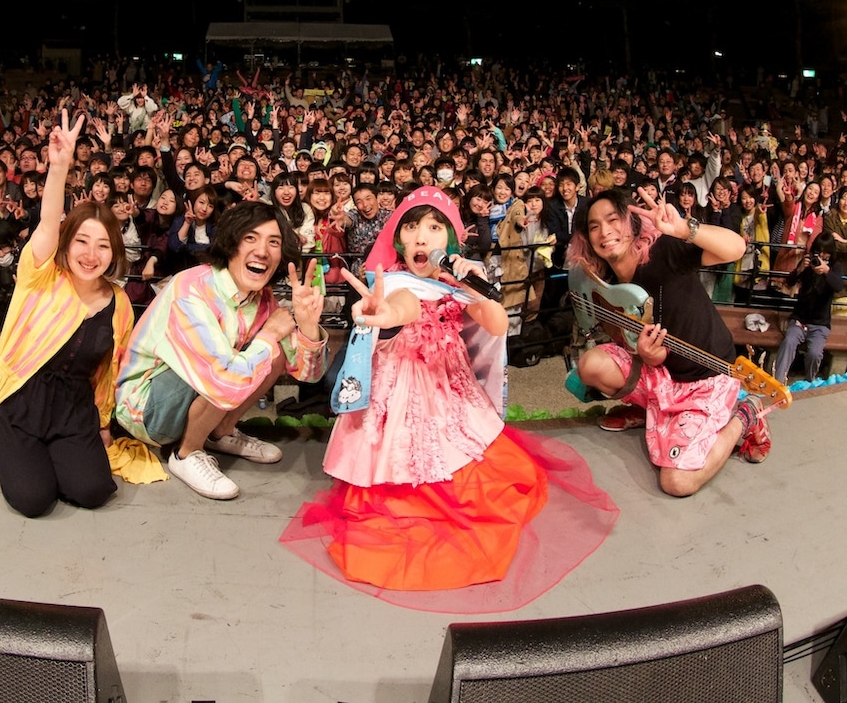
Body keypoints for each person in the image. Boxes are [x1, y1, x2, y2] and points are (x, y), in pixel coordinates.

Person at [281, 186, 616, 607]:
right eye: (412, 227)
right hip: (403, 389)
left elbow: (495, 323)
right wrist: (383, 315)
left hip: (448, 388)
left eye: (434, 227)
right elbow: (403, 306)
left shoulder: (457, 283)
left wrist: (470, 283)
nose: (422, 237)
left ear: (451, 240)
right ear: (399, 240)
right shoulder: (395, 284)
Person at [0, 111, 139, 516]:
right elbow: (49, 222)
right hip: (19, 401)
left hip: (72, 407)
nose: (91, 254)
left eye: (103, 246)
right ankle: (23, 453)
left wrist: (101, 422)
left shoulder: (118, 303)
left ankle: (61, 457)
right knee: (34, 500)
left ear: (114, 253)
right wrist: (60, 165)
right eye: (82, 241)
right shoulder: (41, 276)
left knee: (94, 491)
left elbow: (109, 369)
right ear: (67, 245)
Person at [114, 200, 328, 501]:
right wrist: (268, 334)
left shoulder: (263, 300)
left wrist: (307, 326)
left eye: (274, 242)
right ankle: (187, 453)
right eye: (250, 238)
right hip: (148, 411)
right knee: (236, 360)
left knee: (274, 352)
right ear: (230, 243)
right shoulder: (191, 288)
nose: (263, 251)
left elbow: (308, 373)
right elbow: (223, 379)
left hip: (202, 393)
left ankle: (221, 432)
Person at [569, 187, 772, 497]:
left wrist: (684, 229)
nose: (605, 231)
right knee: (591, 365)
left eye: (613, 220)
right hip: (662, 376)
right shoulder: (604, 280)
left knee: (676, 482)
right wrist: (645, 356)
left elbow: (735, 248)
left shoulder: (664, 252)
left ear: (633, 223)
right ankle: (651, 410)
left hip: (706, 379)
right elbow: (622, 335)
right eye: (594, 226)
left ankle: (745, 416)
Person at [771, 232, 846, 384]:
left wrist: (826, 272)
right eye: (818, 251)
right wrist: (800, 270)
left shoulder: (835, 267)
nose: (821, 256)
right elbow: (789, 282)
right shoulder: (807, 262)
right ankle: (777, 382)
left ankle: (810, 380)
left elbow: (839, 286)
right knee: (789, 342)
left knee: (815, 353)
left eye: (826, 253)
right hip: (800, 319)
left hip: (820, 323)